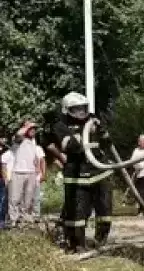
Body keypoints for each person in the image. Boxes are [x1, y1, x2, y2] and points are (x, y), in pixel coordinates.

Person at [43, 95, 116, 252]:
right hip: (77, 173)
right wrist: (81, 136)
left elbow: (108, 143)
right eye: (76, 109)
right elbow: (69, 145)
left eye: (83, 107)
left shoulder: (94, 119)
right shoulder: (61, 125)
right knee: (77, 213)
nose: (81, 112)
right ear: (67, 109)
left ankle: (100, 241)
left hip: (99, 170)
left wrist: (102, 131)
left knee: (105, 211)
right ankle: (76, 244)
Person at [6, 122, 40, 226]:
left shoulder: (33, 141)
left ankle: (24, 218)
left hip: (31, 172)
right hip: (18, 172)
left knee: (28, 198)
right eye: (31, 128)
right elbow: (19, 135)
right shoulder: (19, 140)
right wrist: (26, 126)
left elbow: (35, 156)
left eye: (34, 128)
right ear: (25, 129)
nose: (33, 130)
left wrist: (37, 167)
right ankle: (13, 220)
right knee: (15, 198)